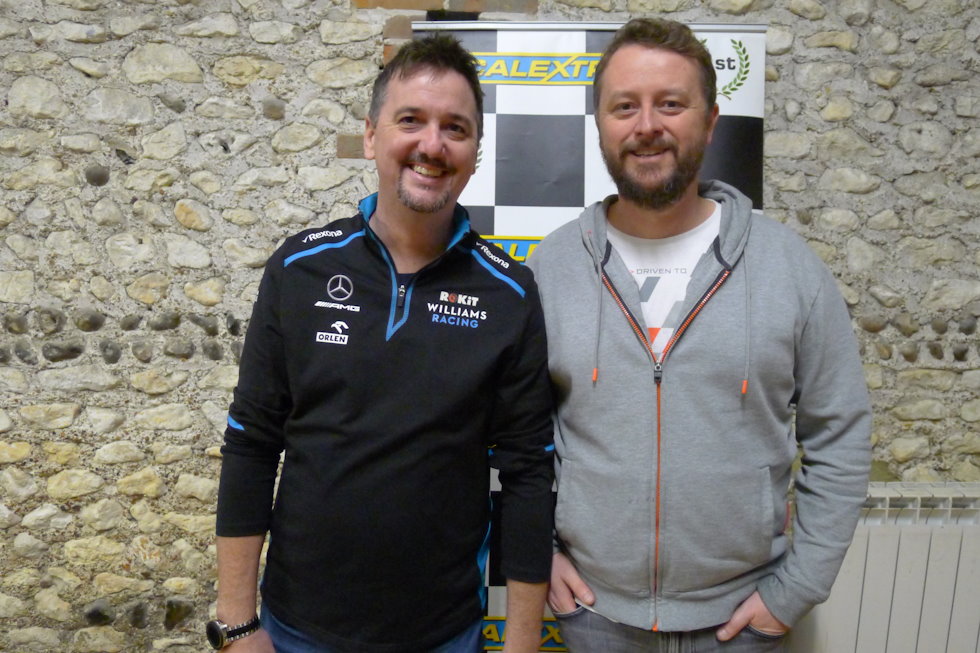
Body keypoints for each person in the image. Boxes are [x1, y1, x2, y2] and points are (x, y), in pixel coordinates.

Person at [527, 18, 872, 651]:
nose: (647, 126)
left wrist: (795, 591)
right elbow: (515, 433)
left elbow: (841, 433)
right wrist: (537, 552)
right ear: (600, 124)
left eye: (671, 104)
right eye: (624, 107)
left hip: (742, 623)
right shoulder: (551, 268)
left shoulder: (789, 267)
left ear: (711, 122)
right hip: (596, 617)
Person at [210, 34, 555, 653]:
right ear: (371, 136)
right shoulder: (299, 268)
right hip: (294, 630)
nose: (432, 145)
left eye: (455, 128)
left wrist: (523, 645)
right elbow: (251, 441)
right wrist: (237, 624)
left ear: (475, 153)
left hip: (444, 634)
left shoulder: (510, 293)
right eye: (410, 120)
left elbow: (528, 474)